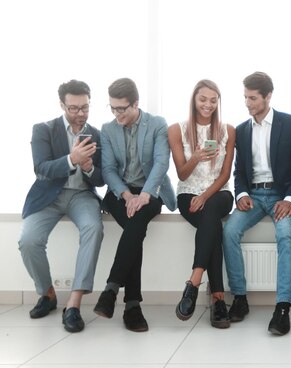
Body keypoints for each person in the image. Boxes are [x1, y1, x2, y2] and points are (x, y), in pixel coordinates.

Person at [222, 72, 291, 336]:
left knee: (285, 236)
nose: (247, 103)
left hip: (282, 196)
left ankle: (282, 307)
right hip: (254, 197)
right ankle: (239, 298)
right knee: (229, 232)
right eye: (245, 97)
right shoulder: (242, 130)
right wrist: (241, 194)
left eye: (253, 98)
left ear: (268, 96)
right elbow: (240, 172)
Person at [18, 80, 104, 333]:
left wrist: (88, 167)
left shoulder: (97, 134)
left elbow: (101, 179)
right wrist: (71, 159)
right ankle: (47, 293)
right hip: (49, 197)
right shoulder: (43, 129)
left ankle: (74, 304)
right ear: (62, 105)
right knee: (29, 240)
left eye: (85, 108)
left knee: (94, 229)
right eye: (74, 108)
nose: (80, 114)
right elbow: (41, 169)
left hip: (82, 196)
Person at [94, 77, 176, 332]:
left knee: (136, 222)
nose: (117, 114)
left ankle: (112, 290)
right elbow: (107, 169)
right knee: (135, 227)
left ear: (135, 103)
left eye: (122, 108)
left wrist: (145, 195)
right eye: (112, 108)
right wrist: (127, 195)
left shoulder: (157, 125)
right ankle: (131, 306)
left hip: (151, 191)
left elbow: (162, 163)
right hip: (120, 193)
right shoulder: (107, 130)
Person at [169, 80, 235, 329]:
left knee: (212, 211)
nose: (208, 104)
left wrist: (206, 196)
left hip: (218, 193)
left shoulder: (228, 130)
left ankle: (194, 282)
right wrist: (196, 157)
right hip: (188, 193)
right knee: (213, 227)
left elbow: (225, 175)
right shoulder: (177, 130)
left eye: (213, 100)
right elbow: (182, 175)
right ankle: (218, 298)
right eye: (203, 99)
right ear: (194, 100)